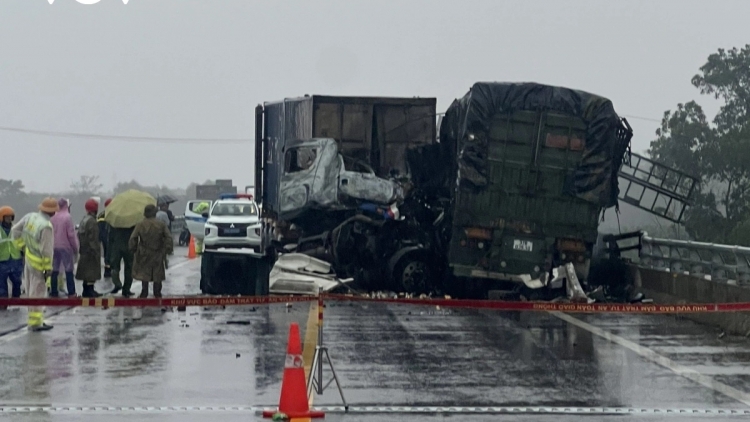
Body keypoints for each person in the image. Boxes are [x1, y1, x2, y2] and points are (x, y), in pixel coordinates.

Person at [11, 198, 59, 331]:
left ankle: (33, 321)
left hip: (28, 259)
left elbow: (15, 230)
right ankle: (36, 323)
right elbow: (46, 251)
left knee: (30, 291)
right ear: (53, 212)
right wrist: (47, 269)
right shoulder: (46, 226)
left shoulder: (30, 217)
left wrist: (21, 246)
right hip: (39, 265)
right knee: (37, 294)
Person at [129, 204, 173, 298]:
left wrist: (134, 249)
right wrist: (167, 249)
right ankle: (157, 292)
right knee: (157, 272)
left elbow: (133, 238)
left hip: (144, 251)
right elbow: (168, 237)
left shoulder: (140, 224)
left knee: (144, 272)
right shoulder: (161, 224)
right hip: (157, 251)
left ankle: (144, 292)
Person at [49, 198, 79, 297]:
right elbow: (71, 235)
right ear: (66, 206)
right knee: (69, 269)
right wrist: (75, 247)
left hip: (54, 246)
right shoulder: (67, 217)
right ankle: (71, 292)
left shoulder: (53, 217)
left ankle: (54, 291)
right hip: (65, 246)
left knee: (55, 269)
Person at [75, 199, 102, 298]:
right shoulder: (92, 222)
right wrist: (96, 250)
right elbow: (93, 238)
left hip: (84, 250)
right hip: (90, 251)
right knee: (91, 272)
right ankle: (90, 291)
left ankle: (86, 290)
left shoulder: (84, 220)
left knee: (86, 272)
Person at [0, 206, 23, 304]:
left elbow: (22, 241)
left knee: (17, 282)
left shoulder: (16, 229)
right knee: (1, 284)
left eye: (11, 217)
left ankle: (16, 300)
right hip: (2, 260)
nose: (9, 219)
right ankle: (3, 302)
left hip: (15, 259)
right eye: (7, 217)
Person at [109, 223, 135, 297]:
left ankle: (117, 284)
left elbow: (110, 236)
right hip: (128, 246)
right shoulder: (132, 222)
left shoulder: (114, 222)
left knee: (115, 266)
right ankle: (126, 289)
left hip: (116, 246)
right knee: (129, 268)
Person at [97, 198, 112, 278]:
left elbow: (98, 226)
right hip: (110, 236)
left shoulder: (101, 214)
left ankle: (107, 270)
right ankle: (110, 270)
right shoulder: (112, 214)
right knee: (110, 254)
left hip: (102, 236)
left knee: (106, 252)